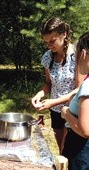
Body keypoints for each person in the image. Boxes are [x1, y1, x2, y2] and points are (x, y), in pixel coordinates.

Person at [31, 17, 85, 154]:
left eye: (52, 41)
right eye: (46, 42)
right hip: (55, 111)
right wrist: (40, 94)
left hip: (72, 110)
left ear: (64, 34)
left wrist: (54, 101)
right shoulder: (48, 57)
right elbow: (48, 84)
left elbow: (78, 89)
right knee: (61, 151)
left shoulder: (77, 55)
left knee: (68, 150)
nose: (49, 45)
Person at [61, 31, 89, 170]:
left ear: (82, 54)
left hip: (81, 151)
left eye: (75, 56)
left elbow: (84, 130)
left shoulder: (87, 87)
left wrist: (65, 112)